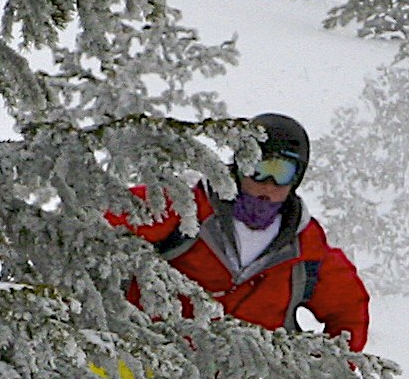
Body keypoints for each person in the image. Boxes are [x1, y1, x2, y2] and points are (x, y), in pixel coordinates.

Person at [116, 112, 371, 351]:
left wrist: (324, 373)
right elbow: (100, 223)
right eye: (258, 169)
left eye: (281, 173)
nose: (268, 185)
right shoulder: (182, 209)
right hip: (139, 358)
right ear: (238, 168)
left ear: (296, 179)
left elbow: (349, 311)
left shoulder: (306, 255)